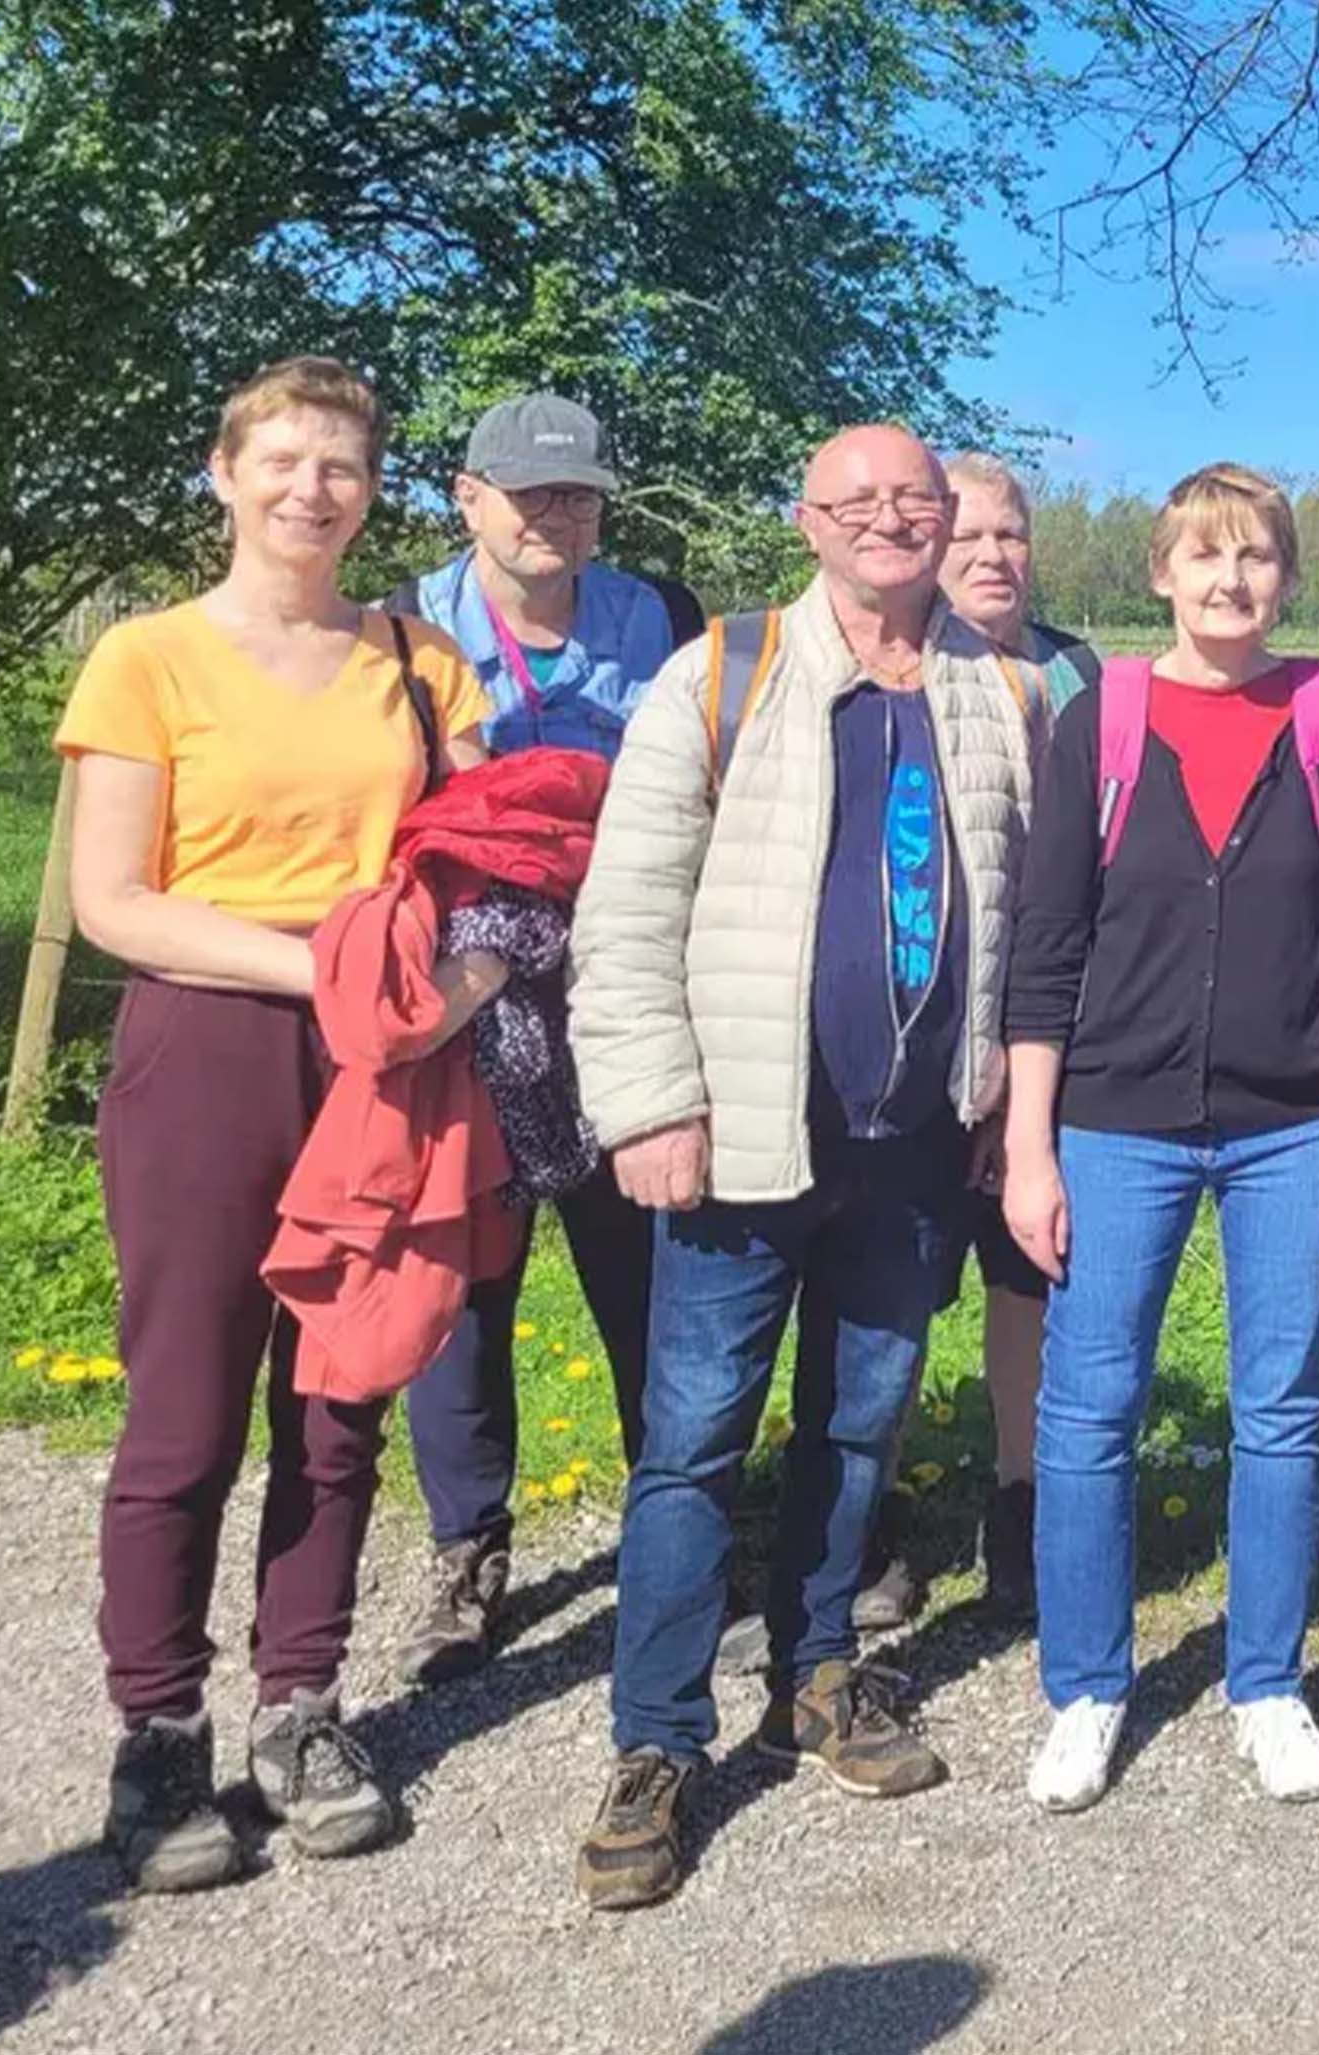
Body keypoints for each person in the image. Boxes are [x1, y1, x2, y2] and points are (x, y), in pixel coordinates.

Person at [566, 424, 1049, 1911]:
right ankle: (655, 1740)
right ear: (811, 522)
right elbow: (627, 908)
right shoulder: (721, 672)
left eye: (919, 499)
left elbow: (1025, 921)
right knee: (693, 1439)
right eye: (862, 502)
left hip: (908, 1143)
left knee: (860, 1424)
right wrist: (649, 1105)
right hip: (744, 1139)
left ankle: (819, 1672)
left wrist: (991, 1092)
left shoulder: (998, 688)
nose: (894, 521)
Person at [61, 356, 496, 1891]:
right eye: (286, 460)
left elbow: (490, 860)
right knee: (184, 1409)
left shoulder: (418, 658)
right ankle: (159, 1729)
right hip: (212, 1040)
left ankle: (300, 1706)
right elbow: (113, 898)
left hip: (383, 1058)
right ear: (225, 470)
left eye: (343, 466)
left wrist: (463, 982)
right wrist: (326, 970)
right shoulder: (148, 657)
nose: (315, 489)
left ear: (373, 490)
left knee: (342, 1394)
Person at [1003, 462, 1319, 1813]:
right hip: (1115, 1120)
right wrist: (1028, 1143)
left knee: (1284, 1405)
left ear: (1287, 577)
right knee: (1089, 1403)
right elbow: (1047, 946)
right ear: (1161, 572)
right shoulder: (1100, 720)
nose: (1230, 580)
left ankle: (1266, 1679)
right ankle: (1089, 1685)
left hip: (1299, 1123)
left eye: (1256, 558)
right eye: (1205, 556)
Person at [385, 391, 693, 1685]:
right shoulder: (407, 628)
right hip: (474, 995)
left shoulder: (663, 618)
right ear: (467, 497)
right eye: (528, 494)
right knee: (464, 1285)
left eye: (577, 494)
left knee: (652, 1278)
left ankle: (675, 1525)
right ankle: (470, 1548)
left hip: (623, 984)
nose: (556, 515)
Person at [833, 448, 1109, 1631]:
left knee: (1025, 1276)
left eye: (1014, 537)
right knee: (885, 1286)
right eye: (972, 536)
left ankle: (1021, 1508)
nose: (995, 557)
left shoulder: (1082, 677)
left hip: (1043, 1039)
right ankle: (868, 1521)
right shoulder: (889, 670)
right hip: (911, 1039)